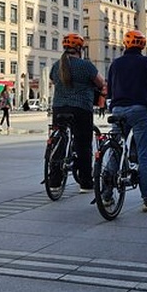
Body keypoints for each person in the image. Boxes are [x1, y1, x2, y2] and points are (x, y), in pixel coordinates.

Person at [107, 30, 147, 211]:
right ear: (142, 46)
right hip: (140, 110)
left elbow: (109, 90)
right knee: (144, 154)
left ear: (125, 45)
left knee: (115, 150)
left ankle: (106, 194)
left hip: (118, 110)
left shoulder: (116, 63)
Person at [50, 33, 106, 192]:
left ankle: (54, 181)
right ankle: (85, 183)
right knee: (83, 145)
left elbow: (53, 81)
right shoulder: (86, 66)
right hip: (81, 108)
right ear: (80, 48)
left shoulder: (56, 65)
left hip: (59, 107)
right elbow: (101, 83)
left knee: (58, 142)